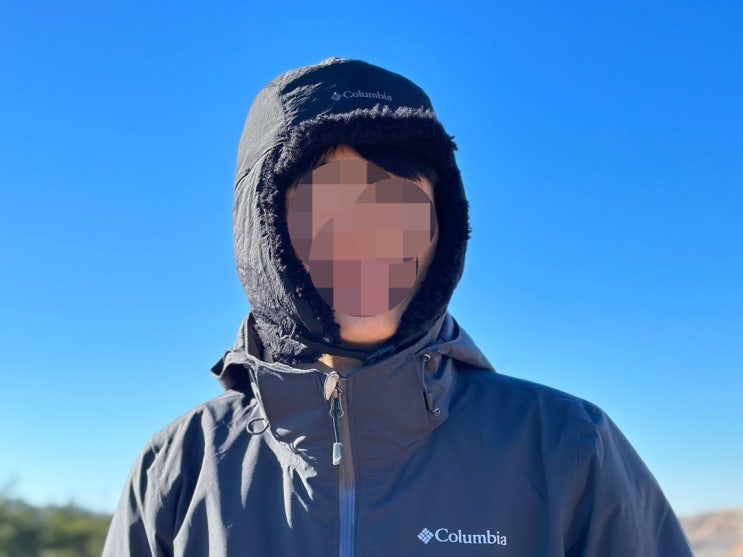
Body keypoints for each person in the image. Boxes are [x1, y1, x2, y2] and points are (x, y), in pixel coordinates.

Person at [103, 58, 693, 556]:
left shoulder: (565, 445)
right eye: (327, 205)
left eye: (401, 205)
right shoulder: (179, 467)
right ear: (263, 232)